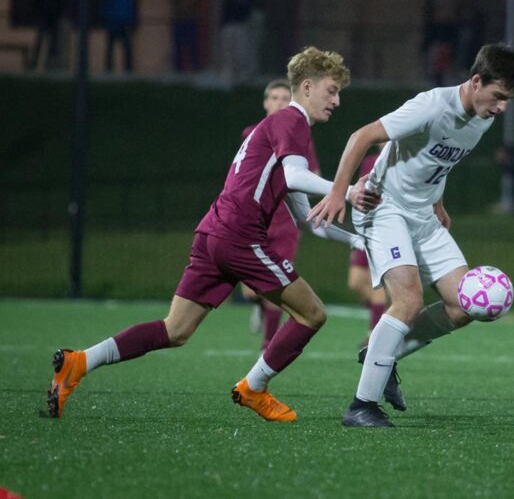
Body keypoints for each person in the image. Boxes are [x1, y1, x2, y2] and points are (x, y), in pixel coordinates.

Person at [47, 47, 381, 423]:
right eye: (332, 90)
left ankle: (79, 362)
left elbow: (306, 219)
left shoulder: (277, 127)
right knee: (312, 315)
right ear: (306, 86)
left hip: (213, 233)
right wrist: (346, 190)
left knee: (175, 330)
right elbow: (292, 177)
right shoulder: (293, 122)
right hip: (241, 236)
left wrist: (357, 240)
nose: (337, 101)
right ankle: (254, 387)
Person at [308, 43, 514, 427]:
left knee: (463, 308)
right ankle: (361, 406)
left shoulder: (482, 118)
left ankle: (384, 353)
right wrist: (336, 191)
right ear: (476, 82)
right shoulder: (431, 106)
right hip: (384, 207)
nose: (501, 108)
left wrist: (437, 201)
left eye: (507, 100)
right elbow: (361, 137)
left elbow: (437, 161)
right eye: (498, 97)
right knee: (407, 302)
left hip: (423, 215)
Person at [241, 79, 321, 354]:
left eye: (284, 98)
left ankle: (267, 347)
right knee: (252, 291)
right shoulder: (252, 133)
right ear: (265, 102)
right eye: (273, 97)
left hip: (286, 224)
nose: (278, 103)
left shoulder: (300, 136)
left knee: (275, 287)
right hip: (254, 222)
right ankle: (258, 307)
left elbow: (312, 176)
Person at [347, 145, 389, 346]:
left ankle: (375, 334)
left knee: (377, 283)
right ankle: (388, 316)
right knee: (355, 281)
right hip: (365, 226)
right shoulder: (369, 160)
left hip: (385, 228)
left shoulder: (401, 161)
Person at [220, 0, 254, 85]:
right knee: (228, 51)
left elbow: (249, 9)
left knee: (241, 51)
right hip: (229, 25)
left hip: (241, 25)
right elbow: (225, 9)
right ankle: (228, 77)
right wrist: (223, 24)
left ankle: (242, 77)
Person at [29, 0, 66, 71]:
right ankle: (35, 63)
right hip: (44, 18)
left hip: (53, 19)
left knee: (53, 43)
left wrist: (57, 15)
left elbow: (62, 3)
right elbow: (36, 2)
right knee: (40, 42)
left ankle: (49, 64)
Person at [102, 0, 136, 73]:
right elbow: (105, 10)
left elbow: (131, 11)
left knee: (127, 49)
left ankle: (128, 69)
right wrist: (107, 21)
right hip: (113, 26)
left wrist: (129, 22)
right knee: (110, 48)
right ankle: (108, 69)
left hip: (124, 26)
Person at [169, 0, 200, 72]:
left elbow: (196, 3)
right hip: (178, 21)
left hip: (190, 21)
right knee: (177, 46)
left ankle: (195, 67)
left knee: (192, 45)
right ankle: (177, 69)